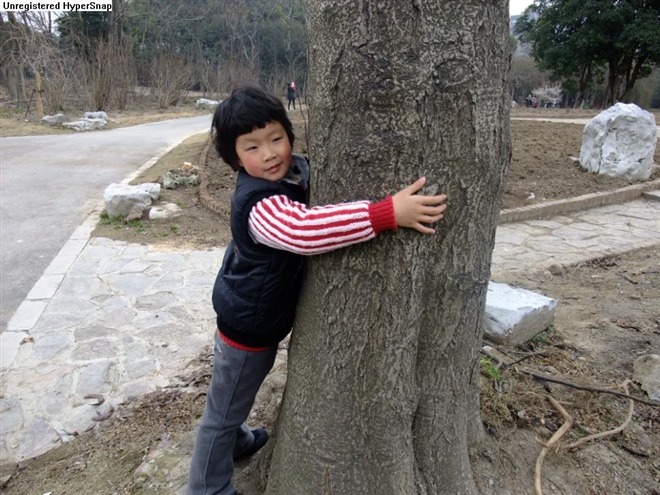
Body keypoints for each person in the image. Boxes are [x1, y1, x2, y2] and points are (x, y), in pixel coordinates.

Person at [186, 85, 448, 495]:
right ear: (235, 159)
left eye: (277, 138)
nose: (270, 153)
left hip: (258, 318)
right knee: (223, 409)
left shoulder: (290, 174)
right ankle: (207, 487)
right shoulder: (259, 205)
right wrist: (385, 213)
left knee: (234, 396)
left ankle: (234, 440)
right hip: (246, 328)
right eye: (253, 147)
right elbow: (304, 231)